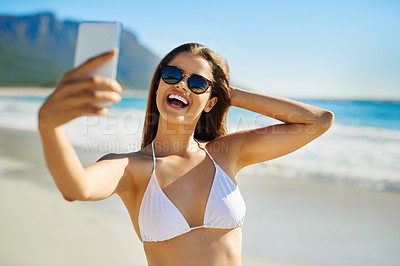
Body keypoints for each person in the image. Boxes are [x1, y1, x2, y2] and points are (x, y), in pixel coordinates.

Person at [38, 43, 334, 266]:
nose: (181, 84)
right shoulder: (131, 168)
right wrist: (49, 127)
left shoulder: (227, 154)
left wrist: (231, 94)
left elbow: (317, 122)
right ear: (157, 86)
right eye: (172, 75)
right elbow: (75, 187)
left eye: (197, 83)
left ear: (210, 102)